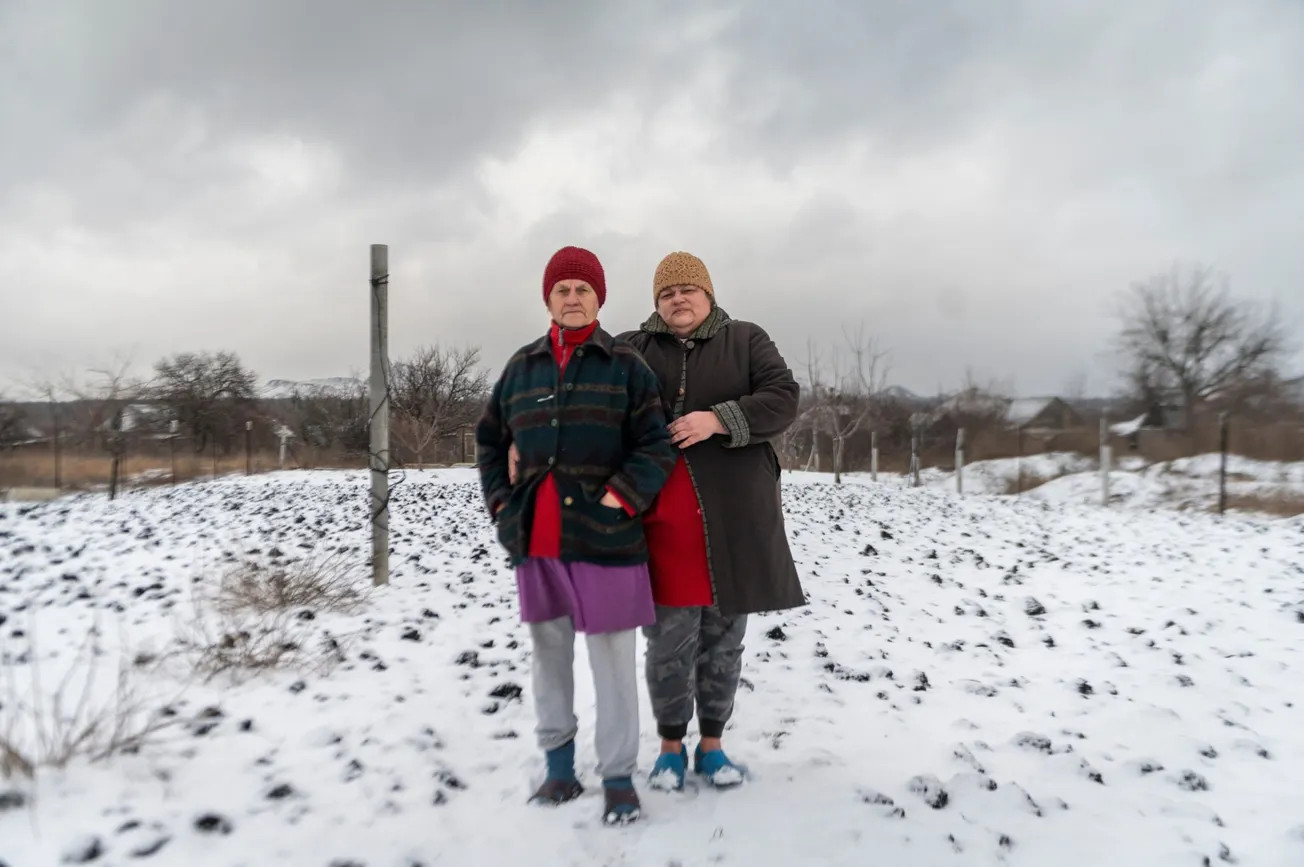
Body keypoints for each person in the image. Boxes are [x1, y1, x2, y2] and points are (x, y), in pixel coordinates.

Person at [475, 245, 676, 826]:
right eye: (561, 289)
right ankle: (558, 768)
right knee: (548, 653)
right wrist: (500, 503)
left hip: (607, 540)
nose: (571, 297)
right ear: (548, 298)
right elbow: (490, 441)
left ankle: (617, 777)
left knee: (612, 660)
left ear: (598, 298)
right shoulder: (521, 367)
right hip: (537, 537)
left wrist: (622, 498)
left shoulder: (625, 367)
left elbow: (655, 445)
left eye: (582, 289)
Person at [616, 251, 804, 793]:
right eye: (667, 292)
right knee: (668, 642)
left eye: (687, 290)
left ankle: (713, 747)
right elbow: (592, 397)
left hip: (735, 522)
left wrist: (718, 419)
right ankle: (670, 748)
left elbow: (782, 398)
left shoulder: (746, 339)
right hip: (662, 527)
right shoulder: (633, 347)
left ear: (708, 294)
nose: (678, 299)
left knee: (723, 642)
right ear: (656, 302)